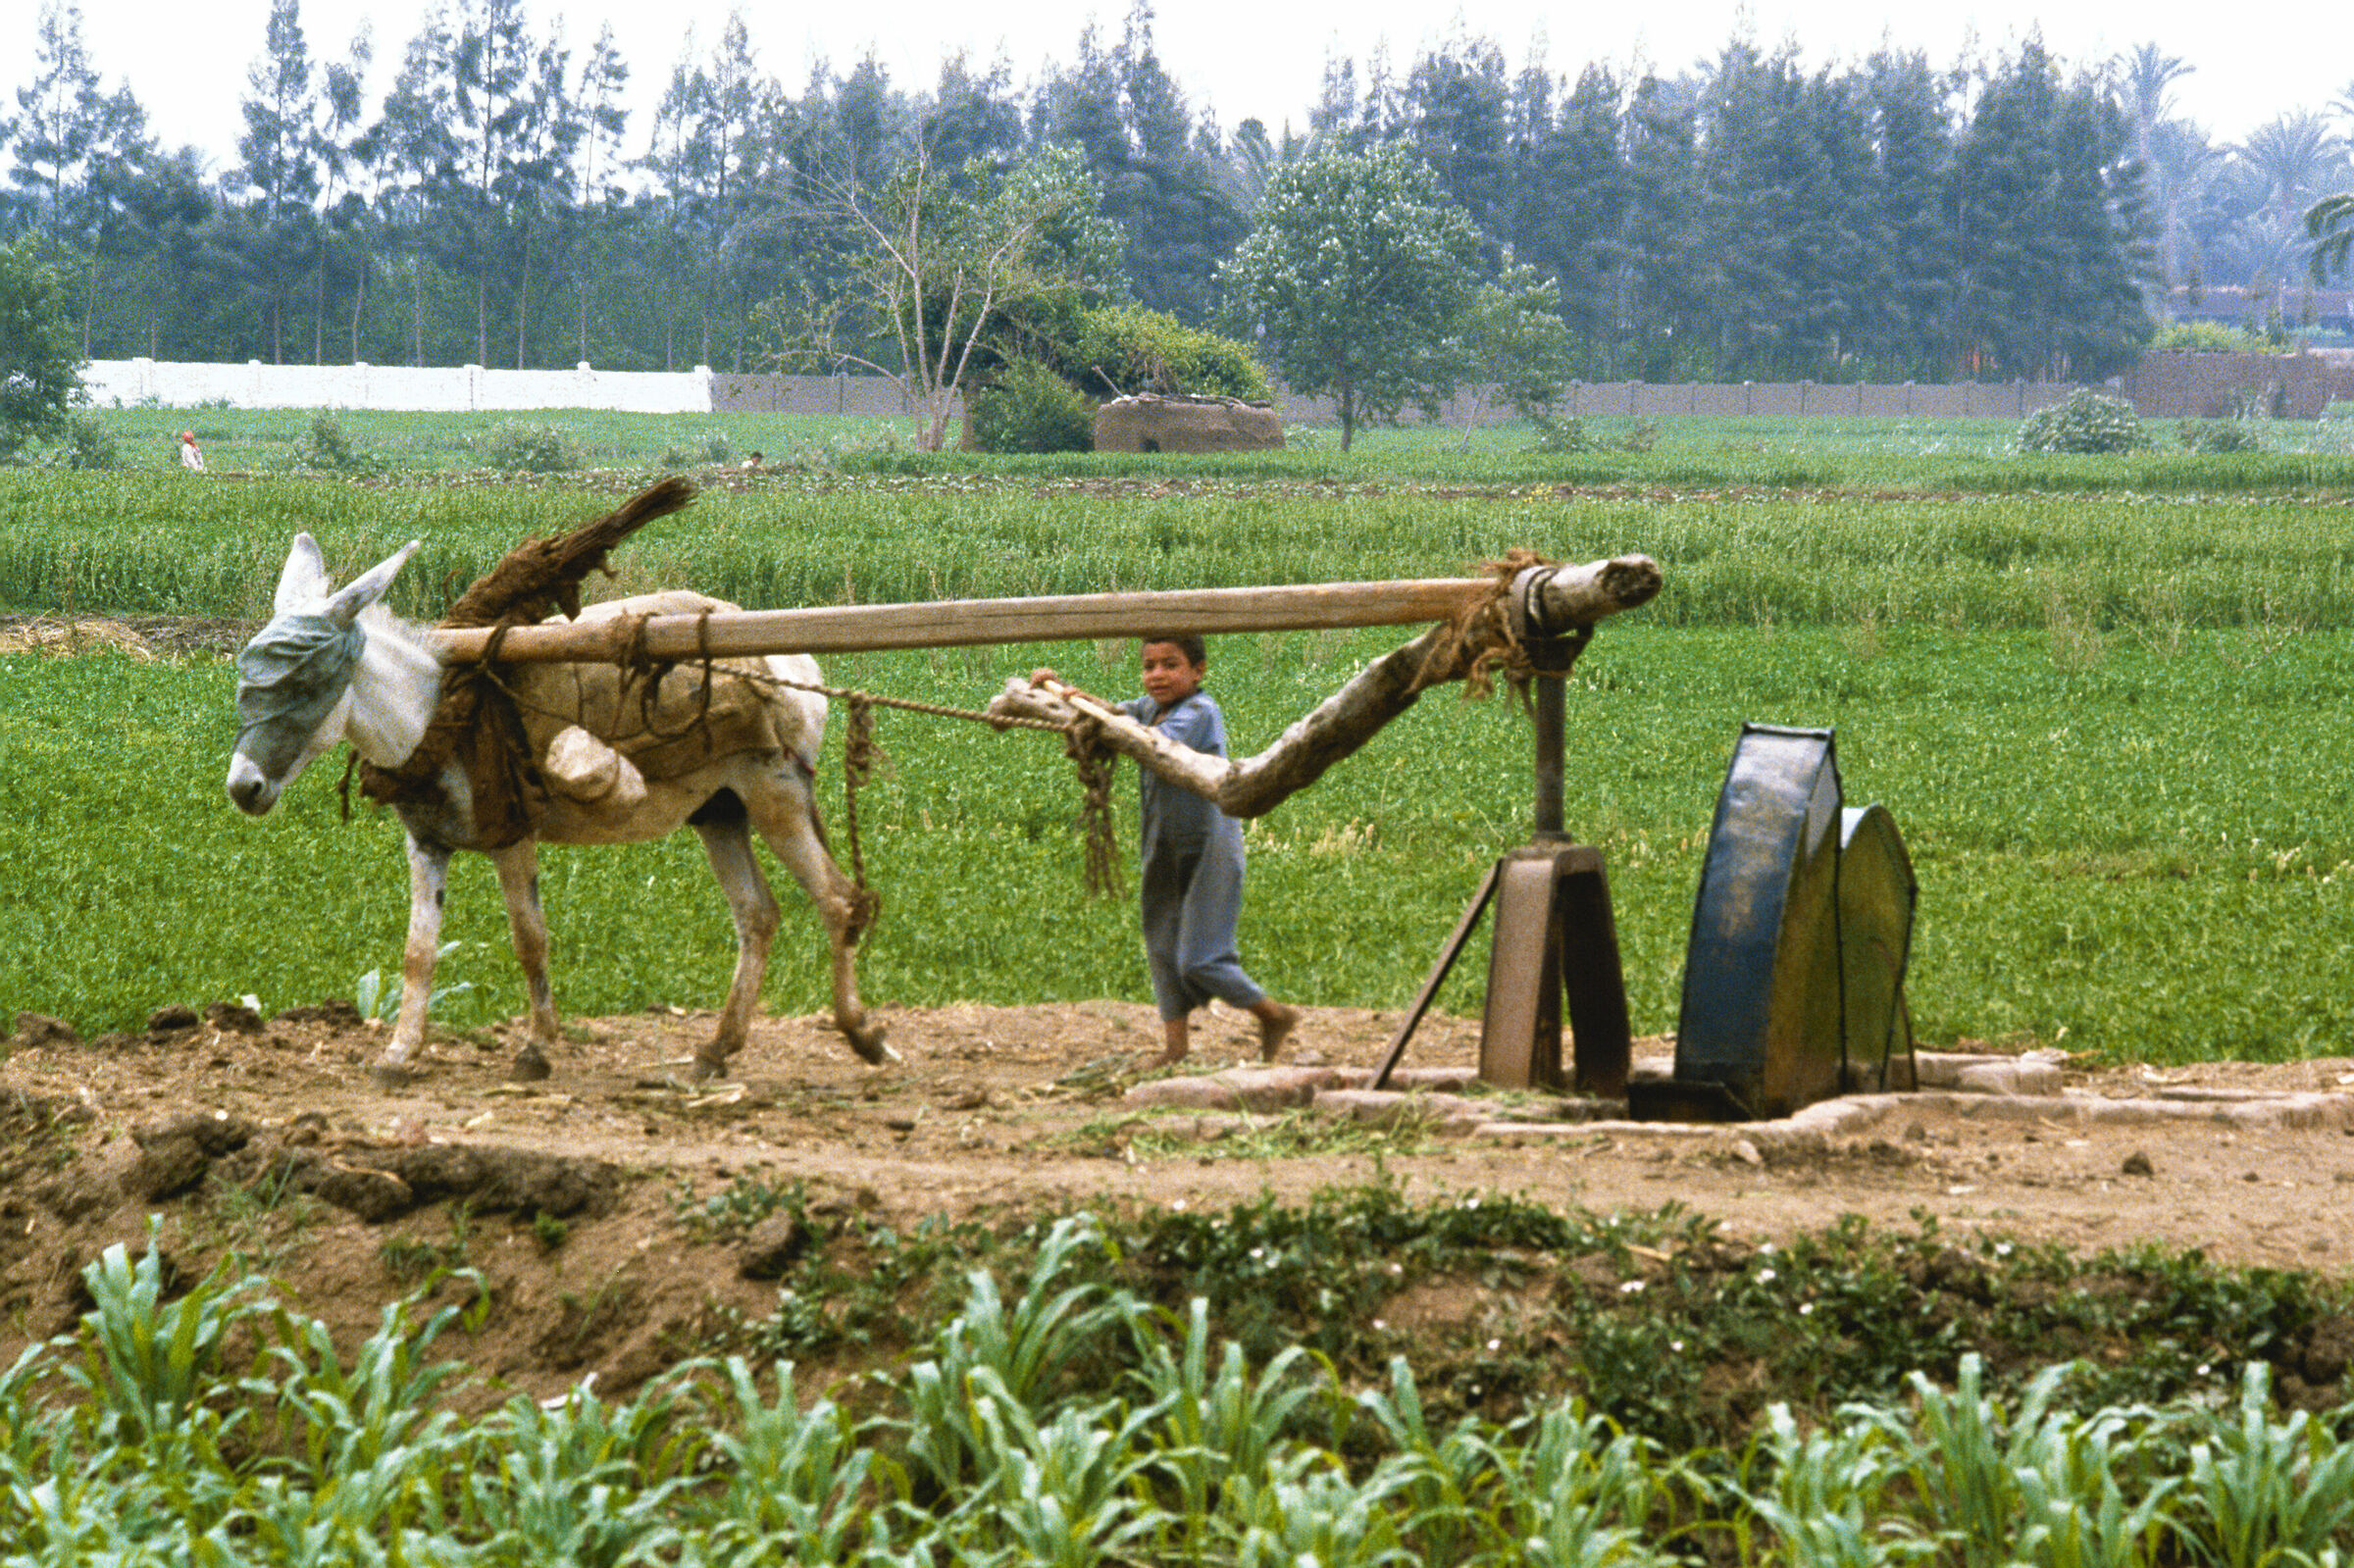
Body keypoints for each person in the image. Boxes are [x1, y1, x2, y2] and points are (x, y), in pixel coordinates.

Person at [1040, 635, 1300, 1067]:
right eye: (1149, 666)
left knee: (1201, 958)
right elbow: (1114, 712)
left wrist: (1093, 713)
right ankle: (1175, 1049)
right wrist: (1060, 689)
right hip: (1162, 841)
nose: (1156, 675)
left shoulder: (1200, 712)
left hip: (1209, 845)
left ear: (1198, 671)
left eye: (1170, 665)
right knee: (1161, 945)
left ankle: (1273, 1015)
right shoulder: (1147, 707)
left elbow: (1144, 740)